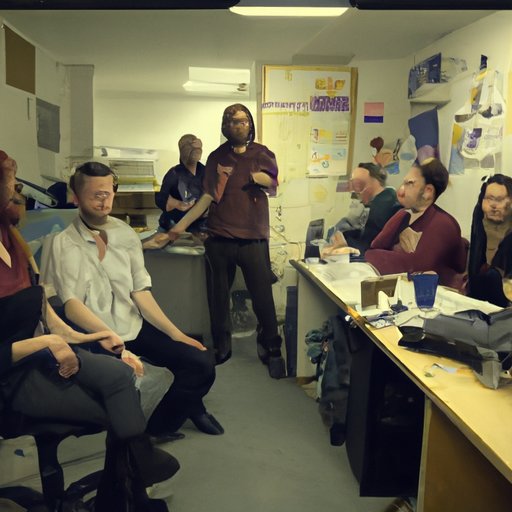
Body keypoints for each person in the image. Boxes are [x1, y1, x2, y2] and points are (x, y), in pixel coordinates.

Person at [0, 151, 179, 511]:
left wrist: (89, 337)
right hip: (11, 375)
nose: (18, 190)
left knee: (122, 375)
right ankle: (130, 488)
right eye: (10, 182)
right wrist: (50, 341)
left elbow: (43, 307)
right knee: (117, 407)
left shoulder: (12, 240)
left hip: (41, 354)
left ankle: (130, 478)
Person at [44, 161, 223, 437]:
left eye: (108, 193)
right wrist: (109, 338)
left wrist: (177, 334)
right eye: (96, 195)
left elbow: (140, 291)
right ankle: (154, 426)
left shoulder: (125, 235)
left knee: (200, 361)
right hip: (94, 334)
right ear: (76, 197)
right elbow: (72, 305)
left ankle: (161, 426)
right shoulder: (64, 243)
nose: (104, 201)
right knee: (126, 383)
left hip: (132, 326)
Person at [147, 103, 285, 379]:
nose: (237, 126)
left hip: (253, 239)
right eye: (231, 121)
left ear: (250, 124)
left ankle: (271, 348)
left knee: (262, 297)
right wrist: (176, 230)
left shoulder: (262, 153)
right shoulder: (216, 157)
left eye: (242, 121)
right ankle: (222, 348)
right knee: (218, 298)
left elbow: (274, 183)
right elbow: (206, 198)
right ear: (224, 126)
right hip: (219, 238)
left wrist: (258, 178)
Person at [365, 158, 467, 288]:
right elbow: (373, 249)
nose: (401, 190)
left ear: (428, 191)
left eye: (410, 184)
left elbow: (416, 267)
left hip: (433, 295)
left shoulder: (443, 224)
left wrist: (387, 254)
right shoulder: (403, 215)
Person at [324, 162, 401, 256]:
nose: (355, 191)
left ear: (374, 182)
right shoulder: (385, 197)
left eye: (357, 185)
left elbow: (369, 248)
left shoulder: (382, 205)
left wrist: (345, 244)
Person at [467, 173, 512, 306]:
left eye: (500, 199)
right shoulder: (479, 217)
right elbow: (475, 266)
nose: (493, 205)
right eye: (489, 199)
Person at [155, 134, 207, 233]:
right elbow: (160, 198)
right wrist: (176, 203)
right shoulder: (174, 174)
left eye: (198, 149)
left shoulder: (206, 172)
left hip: (198, 227)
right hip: (173, 226)